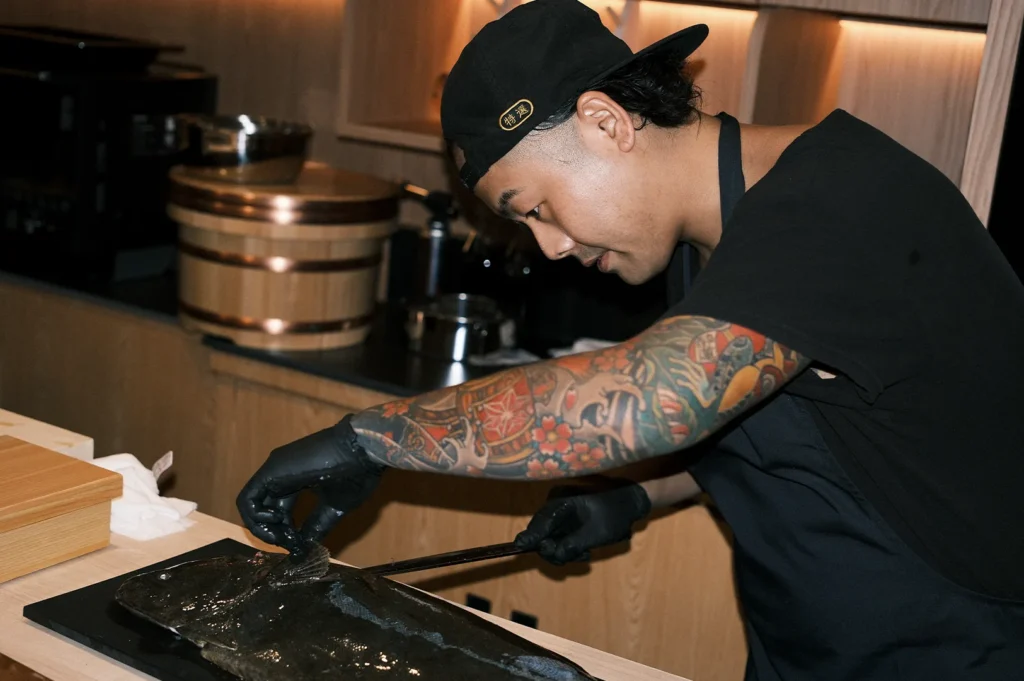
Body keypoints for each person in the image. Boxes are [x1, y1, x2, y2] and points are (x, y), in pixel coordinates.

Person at [236, 0, 1024, 677]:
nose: (548, 248)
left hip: (956, 651)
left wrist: (371, 437)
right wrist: (637, 496)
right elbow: (795, 428)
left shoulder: (839, 199)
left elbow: (652, 399)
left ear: (605, 122)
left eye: (534, 206)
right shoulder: (705, 240)